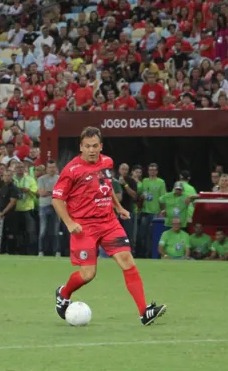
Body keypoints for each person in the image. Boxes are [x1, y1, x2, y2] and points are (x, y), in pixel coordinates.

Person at [52, 127, 166, 326]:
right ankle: (64, 293)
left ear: (101, 146)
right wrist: (70, 223)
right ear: (81, 147)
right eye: (87, 146)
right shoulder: (71, 170)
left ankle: (144, 312)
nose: (91, 150)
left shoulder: (107, 162)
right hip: (84, 226)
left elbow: (105, 186)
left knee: (127, 260)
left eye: (95, 146)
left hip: (108, 222)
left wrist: (119, 207)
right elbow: (57, 199)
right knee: (88, 274)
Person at [37, 160, 60, 256]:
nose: (51, 169)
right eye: (49, 167)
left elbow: (61, 193)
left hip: (57, 206)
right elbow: (42, 193)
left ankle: (57, 251)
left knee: (56, 231)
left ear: (56, 168)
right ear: (46, 169)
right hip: (44, 206)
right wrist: (53, 192)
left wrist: (49, 192)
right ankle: (41, 251)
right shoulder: (41, 179)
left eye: (53, 167)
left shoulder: (60, 178)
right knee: (43, 230)